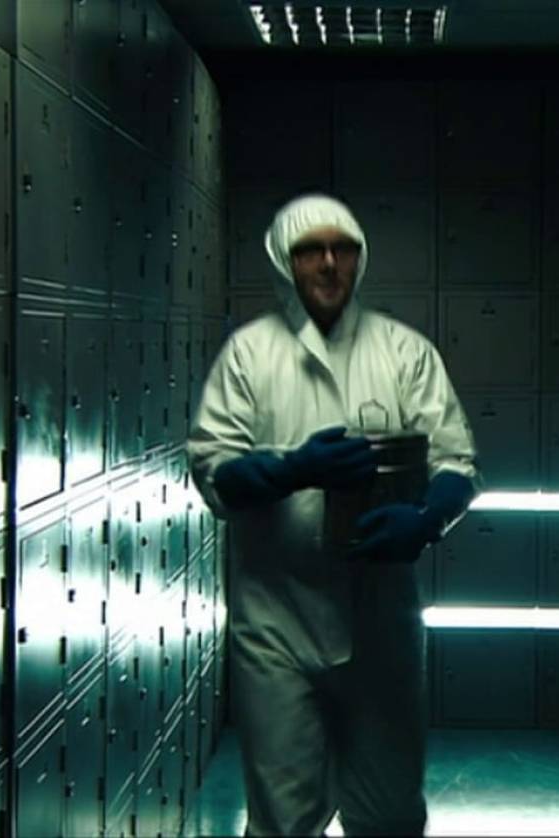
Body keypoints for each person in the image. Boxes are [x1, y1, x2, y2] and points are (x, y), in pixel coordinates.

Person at [188, 194, 479, 835]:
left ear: (359, 259)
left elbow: (456, 462)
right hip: (277, 625)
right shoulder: (249, 355)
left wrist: (427, 519)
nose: (327, 263)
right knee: (283, 817)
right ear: (283, 260)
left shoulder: (404, 352)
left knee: (390, 814)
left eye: (342, 249)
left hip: (382, 624)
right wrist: (293, 470)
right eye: (309, 251)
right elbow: (214, 469)